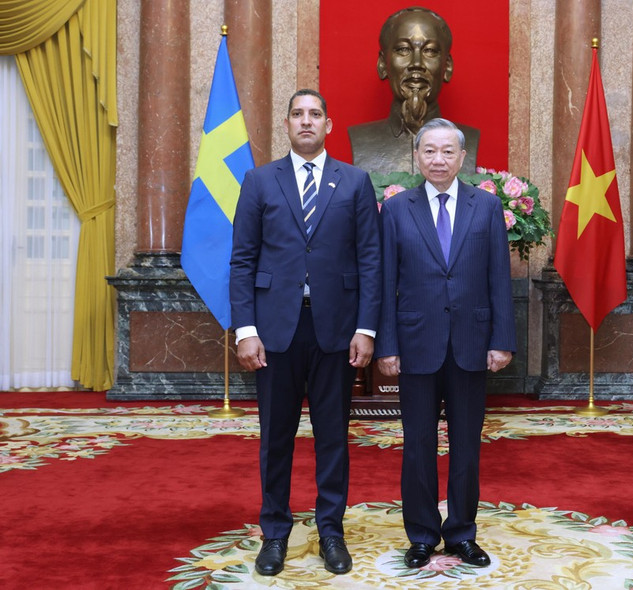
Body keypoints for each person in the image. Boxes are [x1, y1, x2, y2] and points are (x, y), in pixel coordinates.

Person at [230, 89, 381, 576]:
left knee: (333, 435)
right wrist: (245, 330)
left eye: (315, 114)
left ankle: (331, 532)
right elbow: (242, 260)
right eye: (298, 114)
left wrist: (366, 328)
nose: (306, 121)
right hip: (274, 331)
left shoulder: (356, 182)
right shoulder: (258, 181)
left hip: (336, 329)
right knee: (276, 436)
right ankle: (275, 532)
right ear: (288, 125)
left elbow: (370, 261)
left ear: (329, 125)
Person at [375, 118, 516, 569]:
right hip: (416, 344)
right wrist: (387, 346)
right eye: (429, 151)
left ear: (461, 157)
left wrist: (502, 340)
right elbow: (385, 283)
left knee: (466, 445)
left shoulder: (486, 207)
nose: (438, 159)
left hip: (472, 344)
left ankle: (460, 533)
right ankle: (420, 534)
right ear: (416, 157)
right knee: (417, 443)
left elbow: (499, 278)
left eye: (447, 151)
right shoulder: (397, 210)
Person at [347, 7, 479, 175]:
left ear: (447, 67)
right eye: (403, 49)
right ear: (382, 64)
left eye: (430, 51)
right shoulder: (362, 140)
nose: (417, 63)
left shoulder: (469, 139)